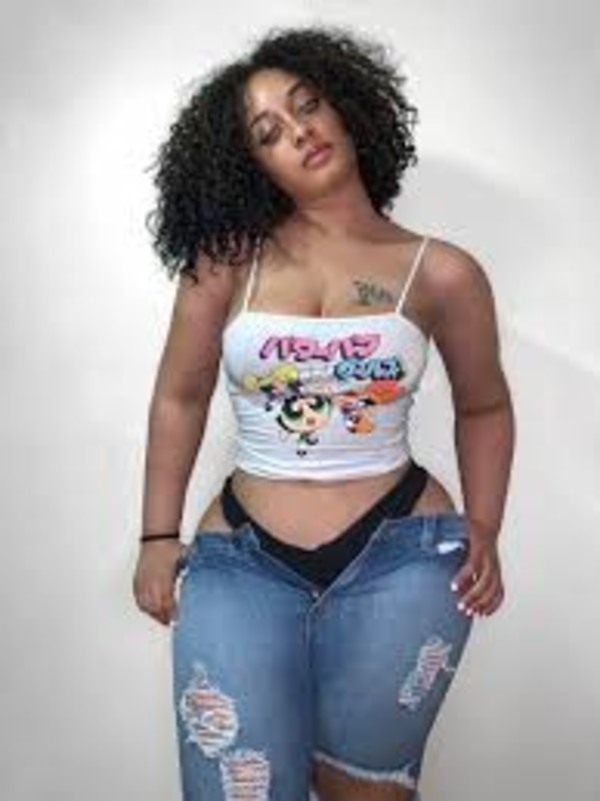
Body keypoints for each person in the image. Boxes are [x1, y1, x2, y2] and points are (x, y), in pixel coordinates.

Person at [133, 23, 515, 801]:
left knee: (364, 791)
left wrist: (486, 525)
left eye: (307, 105)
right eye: (268, 131)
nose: (299, 131)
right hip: (242, 561)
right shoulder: (225, 263)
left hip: (406, 558)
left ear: (346, 108)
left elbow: (484, 405)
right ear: (251, 162)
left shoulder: (440, 271)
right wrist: (156, 536)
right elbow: (179, 396)